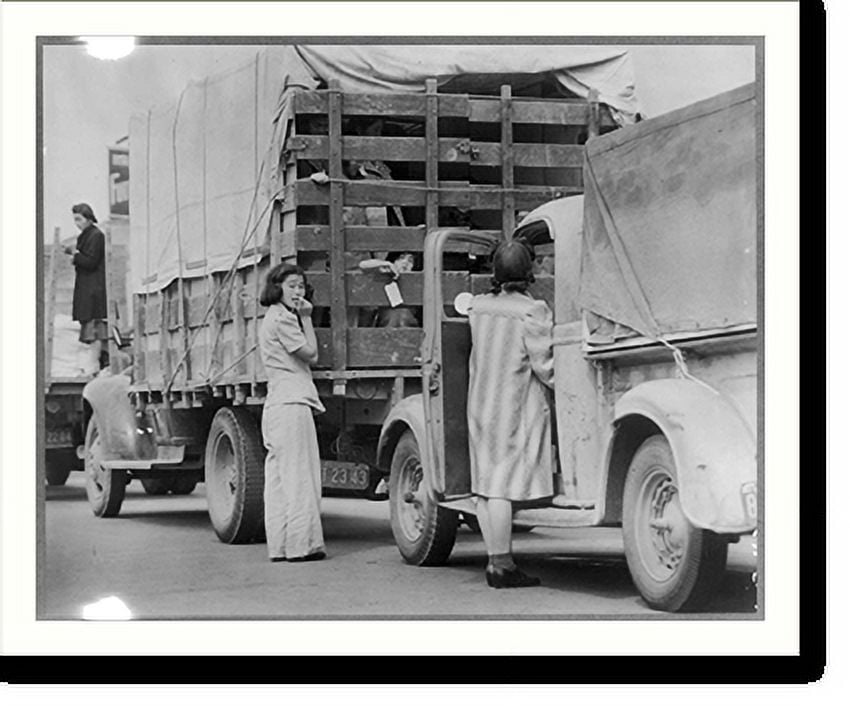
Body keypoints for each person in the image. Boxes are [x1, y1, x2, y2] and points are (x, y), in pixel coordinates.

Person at [466, 240, 555, 588]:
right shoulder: (533, 310)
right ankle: (502, 566)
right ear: (528, 272)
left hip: (480, 402)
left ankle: (495, 560)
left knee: (485, 486)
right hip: (512, 404)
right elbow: (544, 365)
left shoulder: (478, 307)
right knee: (502, 486)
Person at [258, 264, 327, 563]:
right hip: (292, 404)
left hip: (277, 404)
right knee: (300, 476)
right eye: (292, 286)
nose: (298, 292)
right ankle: (302, 546)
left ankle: (280, 547)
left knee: (279, 482)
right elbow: (311, 354)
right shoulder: (285, 319)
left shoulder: (271, 317)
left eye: (301, 286)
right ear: (277, 288)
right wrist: (307, 318)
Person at [65, 203, 108, 375]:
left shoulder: (95, 235)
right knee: (93, 332)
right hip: (89, 289)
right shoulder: (89, 235)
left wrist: (74, 255)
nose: (77, 223)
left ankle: (94, 367)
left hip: (93, 291)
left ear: (88, 218)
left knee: (94, 332)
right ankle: (95, 366)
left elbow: (90, 261)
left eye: (79, 219)